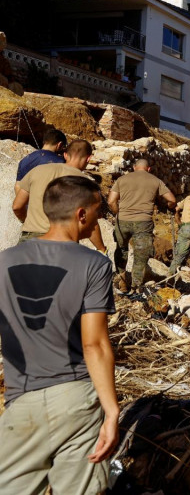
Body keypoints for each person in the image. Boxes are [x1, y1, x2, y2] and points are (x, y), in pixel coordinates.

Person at [0, 175, 119, 493]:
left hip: (20, 399)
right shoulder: (94, 265)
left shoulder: (4, 261)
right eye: (96, 212)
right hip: (75, 398)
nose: (97, 219)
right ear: (82, 214)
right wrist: (111, 410)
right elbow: (94, 344)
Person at [12, 139, 107, 253]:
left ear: (65, 155)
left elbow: (17, 206)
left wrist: (28, 222)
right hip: (62, 243)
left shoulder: (37, 170)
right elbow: (90, 221)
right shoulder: (83, 182)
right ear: (88, 158)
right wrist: (101, 249)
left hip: (29, 239)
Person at [108, 159, 176, 291]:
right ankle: (135, 286)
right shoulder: (155, 180)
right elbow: (172, 199)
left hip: (123, 221)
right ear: (148, 169)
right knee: (141, 255)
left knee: (121, 250)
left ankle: (122, 282)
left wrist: (119, 214)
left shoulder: (122, 179)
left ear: (134, 167)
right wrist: (170, 207)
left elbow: (111, 201)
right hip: (143, 222)